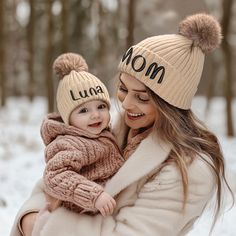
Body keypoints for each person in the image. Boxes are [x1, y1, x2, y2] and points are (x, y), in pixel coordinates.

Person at [10, 13, 233, 236]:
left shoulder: (190, 169)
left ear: (170, 105)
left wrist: (38, 225)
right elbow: (51, 182)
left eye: (142, 97)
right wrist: (33, 215)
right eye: (123, 89)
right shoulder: (114, 131)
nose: (125, 104)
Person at [31, 52, 125, 235]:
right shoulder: (71, 143)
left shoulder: (105, 134)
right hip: (78, 216)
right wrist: (93, 194)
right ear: (68, 119)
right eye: (83, 110)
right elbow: (56, 176)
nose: (95, 115)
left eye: (101, 106)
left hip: (104, 212)